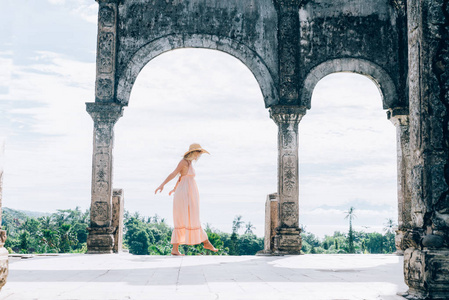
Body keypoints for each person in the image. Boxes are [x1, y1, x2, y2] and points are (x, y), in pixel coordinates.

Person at [155, 143, 218, 256]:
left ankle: (177, 249)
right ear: (193, 152)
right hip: (184, 193)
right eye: (198, 152)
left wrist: (174, 188)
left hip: (189, 192)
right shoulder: (184, 162)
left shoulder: (190, 163)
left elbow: (181, 177)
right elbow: (174, 173)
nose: (199, 155)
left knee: (192, 217)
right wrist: (162, 185)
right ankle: (206, 242)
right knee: (183, 218)